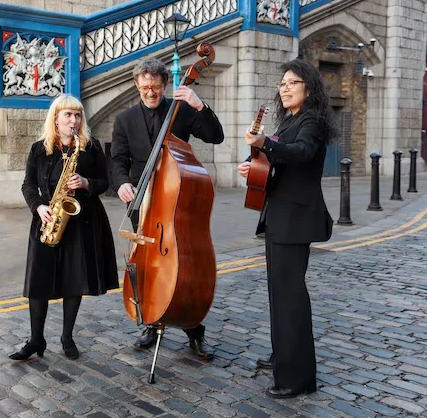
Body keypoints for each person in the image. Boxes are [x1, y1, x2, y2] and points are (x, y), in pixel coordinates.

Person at [110, 57, 224, 360]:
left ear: (164, 85)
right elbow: (118, 160)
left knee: (183, 269)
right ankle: (150, 320)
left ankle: (194, 329)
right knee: (146, 265)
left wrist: (200, 106)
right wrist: (121, 183)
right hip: (142, 204)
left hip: (175, 203)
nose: (151, 92)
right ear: (137, 85)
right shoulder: (124, 119)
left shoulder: (181, 110)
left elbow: (216, 136)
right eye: (145, 87)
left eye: (156, 87)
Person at [237, 58, 338, 399]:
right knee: (279, 293)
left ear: (308, 87)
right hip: (281, 216)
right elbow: (278, 161)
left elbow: (300, 153)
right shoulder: (291, 119)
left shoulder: (312, 120)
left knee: (291, 297)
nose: (284, 87)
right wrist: (254, 167)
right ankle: (283, 355)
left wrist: (265, 143)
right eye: (282, 83)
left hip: (295, 220)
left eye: (292, 82)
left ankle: (298, 379)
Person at [11, 94, 119, 362]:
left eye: (78, 115)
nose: (74, 120)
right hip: (48, 219)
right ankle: (36, 340)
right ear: (56, 118)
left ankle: (67, 337)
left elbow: (104, 182)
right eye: (68, 115)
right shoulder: (39, 149)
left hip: (81, 221)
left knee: (74, 281)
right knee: (38, 284)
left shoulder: (90, 148)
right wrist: (38, 207)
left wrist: (85, 183)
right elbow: (28, 185)